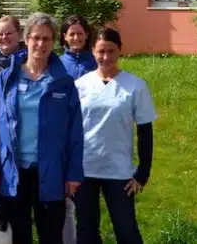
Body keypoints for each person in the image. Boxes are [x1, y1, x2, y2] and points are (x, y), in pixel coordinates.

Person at [0, 12, 84, 244]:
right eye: (36, 38)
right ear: (26, 39)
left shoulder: (63, 82)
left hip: (52, 173)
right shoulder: (7, 79)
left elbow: (76, 132)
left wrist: (74, 173)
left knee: (51, 235)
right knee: (18, 235)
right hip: (14, 173)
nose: (40, 44)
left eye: (46, 39)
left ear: (54, 41)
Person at [74, 28, 156, 244]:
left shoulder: (135, 86)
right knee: (86, 231)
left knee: (126, 230)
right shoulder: (81, 85)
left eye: (111, 51)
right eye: (101, 51)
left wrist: (142, 173)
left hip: (119, 171)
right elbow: (71, 130)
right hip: (85, 169)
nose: (105, 57)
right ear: (92, 51)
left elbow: (145, 130)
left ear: (120, 50)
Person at [59, 15, 97, 244]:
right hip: (64, 137)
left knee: (87, 203)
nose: (75, 38)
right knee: (65, 202)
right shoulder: (57, 64)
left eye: (79, 34)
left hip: (91, 137)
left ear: (86, 35)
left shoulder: (95, 62)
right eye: (71, 34)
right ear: (64, 36)